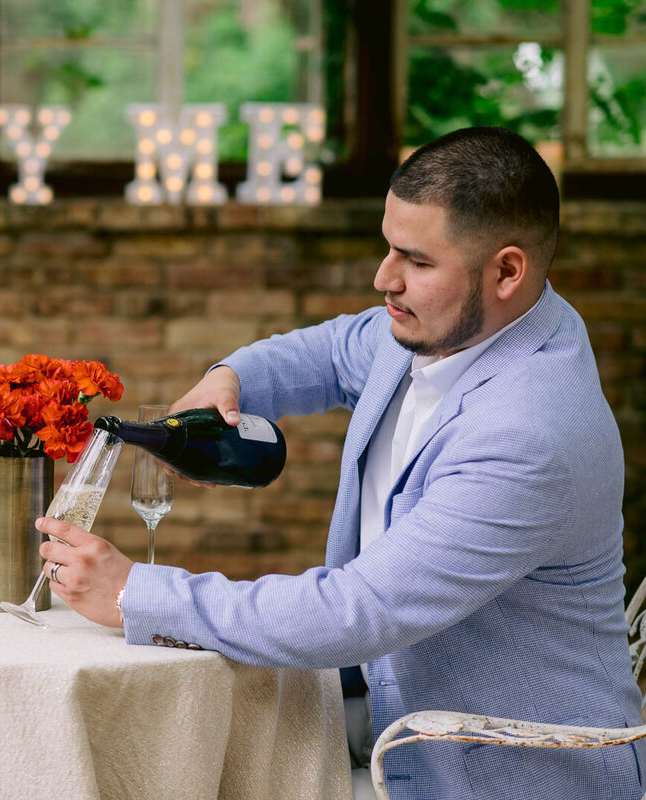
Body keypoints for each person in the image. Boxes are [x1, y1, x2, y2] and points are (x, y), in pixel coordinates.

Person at [38, 127, 644, 800]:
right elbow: (330, 352)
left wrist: (132, 594)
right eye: (389, 248)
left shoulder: (527, 433)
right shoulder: (446, 326)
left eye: (415, 260)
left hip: (492, 767)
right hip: (381, 711)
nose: (385, 279)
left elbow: (354, 611)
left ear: (507, 271)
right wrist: (230, 376)